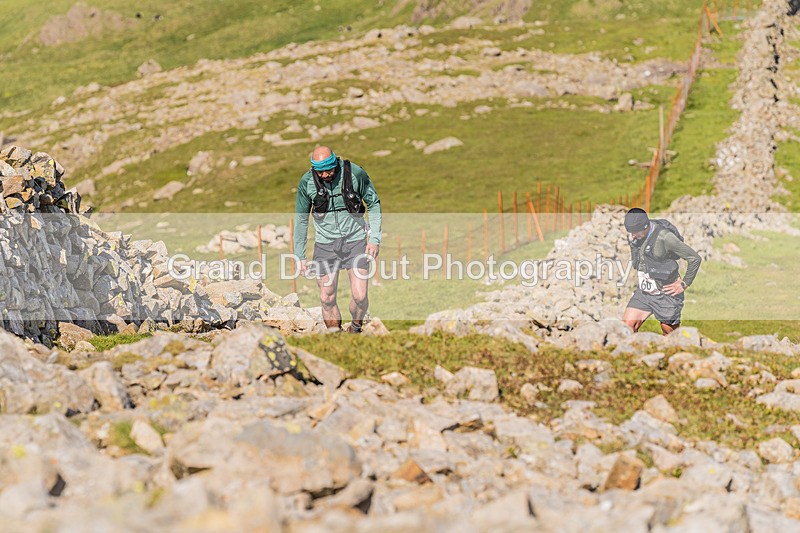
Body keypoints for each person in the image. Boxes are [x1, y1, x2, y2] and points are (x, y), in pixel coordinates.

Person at [294, 146, 381, 333]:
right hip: (325, 244)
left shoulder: (355, 173)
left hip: (355, 241)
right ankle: (335, 337)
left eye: (329, 169)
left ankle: (355, 329)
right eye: (320, 171)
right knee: (327, 296)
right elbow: (301, 219)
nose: (325, 175)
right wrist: (299, 255)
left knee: (360, 296)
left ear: (336, 162)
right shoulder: (306, 182)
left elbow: (373, 203)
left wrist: (374, 239)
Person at [622, 208, 701, 335]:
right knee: (627, 327)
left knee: (670, 334)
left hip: (667, 293)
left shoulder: (665, 238)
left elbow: (695, 259)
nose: (633, 236)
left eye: (636, 232)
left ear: (646, 226)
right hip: (644, 292)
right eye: (631, 232)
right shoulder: (639, 235)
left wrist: (684, 284)